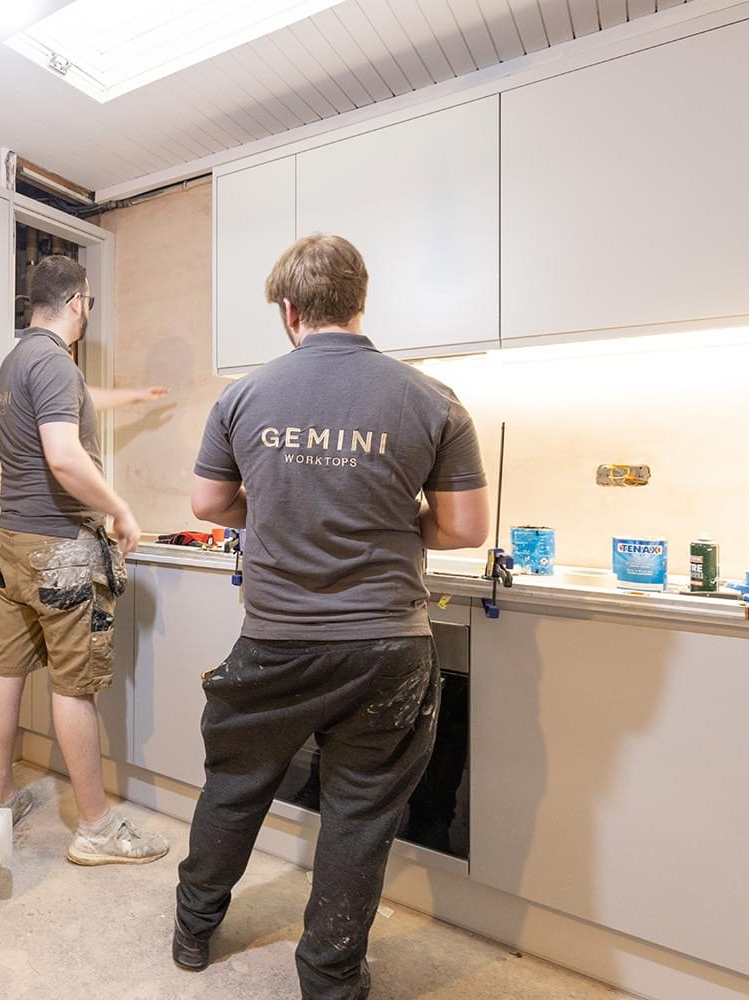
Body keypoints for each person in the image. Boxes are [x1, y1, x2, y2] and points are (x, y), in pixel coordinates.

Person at [172, 234, 491, 998]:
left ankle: (193, 930)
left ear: (289, 312)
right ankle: (329, 976)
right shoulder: (432, 398)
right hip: (387, 648)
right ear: (359, 303)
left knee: (234, 786)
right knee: (359, 815)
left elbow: (209, 504)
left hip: (275, 642)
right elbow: (465, 528)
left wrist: (281, 509)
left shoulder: (244, 395)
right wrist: (389, 521)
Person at [0, 254, 171, 866]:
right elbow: (64, 457)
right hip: (61, 549)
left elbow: (77, 401)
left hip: (14, 544)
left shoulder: (18, 362)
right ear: (78, 302)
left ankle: (1, 801)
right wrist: (123, 511)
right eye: (90, 304)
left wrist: (136, 395)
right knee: (73, 687)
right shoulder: (55, 364)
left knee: (6, 671)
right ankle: (94, 828)